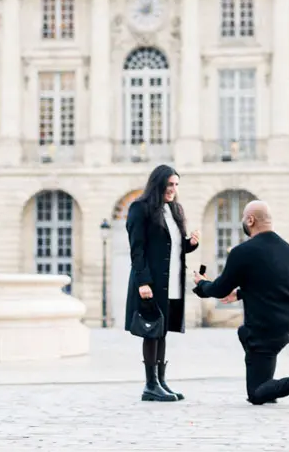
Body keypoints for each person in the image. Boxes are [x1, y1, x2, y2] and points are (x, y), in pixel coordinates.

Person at [192, 199, 289, 407]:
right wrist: (240, 294)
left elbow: (219, 289)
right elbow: (272, 283)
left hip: (264, 329)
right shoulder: (287, 249)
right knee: (247, 337)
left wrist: (202, 284)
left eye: (244, 218)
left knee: (256, 394)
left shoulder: (242, 252)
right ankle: (270, 387)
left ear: (250, 220)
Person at [125, 164, 200, 402]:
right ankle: (150, 385)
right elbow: (137, 250)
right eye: (169, 184)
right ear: (158, 183)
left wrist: (191, 244)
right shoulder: (140, 208)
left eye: (176, 185)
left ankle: (161, 381)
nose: (173, 189)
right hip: (152, 281)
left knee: (162, 330)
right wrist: (143, 281)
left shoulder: (175, 209)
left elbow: (174, 247)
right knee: (151, 330)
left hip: (172, 281)